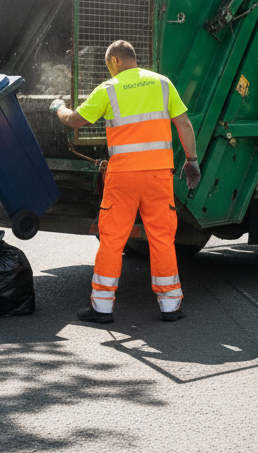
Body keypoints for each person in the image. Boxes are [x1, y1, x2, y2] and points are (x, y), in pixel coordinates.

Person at [50, 40, 201, 323]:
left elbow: (73, 120)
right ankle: (170, 306)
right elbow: (184, 124)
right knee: (162, 238)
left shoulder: (108, 90)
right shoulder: (163, 84)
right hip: (158, 176)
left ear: (115, 62)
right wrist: (191, 160)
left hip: (123, 178)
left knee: (112, 240)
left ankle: (103, 308)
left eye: (109, 65)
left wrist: (58, 106)